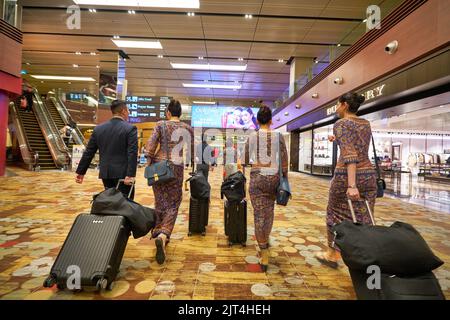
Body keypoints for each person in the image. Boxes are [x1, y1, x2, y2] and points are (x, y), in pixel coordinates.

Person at [315, 92, 377, 268]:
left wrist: (352, 185)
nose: (336, 108)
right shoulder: (365, 123)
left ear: (344, 105)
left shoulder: (341, 123)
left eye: (338, 104)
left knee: (334, 213)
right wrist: (338, 140)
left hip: (347, 177)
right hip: (368, 175)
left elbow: (350, 156)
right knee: (365, 215)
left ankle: (332, 253)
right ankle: (367, 254)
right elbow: (357, 146)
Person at [146, 99, 193, 264]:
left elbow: (151, 145)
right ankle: (163, 234)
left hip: (159, 166)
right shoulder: (187, 128)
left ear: (168, 113)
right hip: (176, 167)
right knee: (173, 202)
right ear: (180, 113)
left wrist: (148, 162)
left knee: (160, 201)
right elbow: (192, 150)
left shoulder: (160, 125)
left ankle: (158, 231)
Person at [246, 106, 288, 271]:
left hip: (257, 177)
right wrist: (285, 181)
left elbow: (243, 160)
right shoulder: (278, 136)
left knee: (258, 215)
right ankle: (266, 238)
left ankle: (263, 253)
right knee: (269, 212)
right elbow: (284, 162)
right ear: (271, 120)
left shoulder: (252, 136)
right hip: (273, 177)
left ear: (257, 121)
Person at [75, 100, 138, 200]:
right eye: (128, 110)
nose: (129, 113)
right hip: (123, 175)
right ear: (123, 111)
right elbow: (132, 153)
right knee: (126, 204)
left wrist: (81, 172)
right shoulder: (130, 129)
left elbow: (89, 152)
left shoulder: (99, 129)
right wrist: (130, 175)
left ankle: (111, 216)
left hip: (106, 173)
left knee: (110, 201)